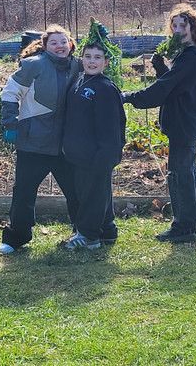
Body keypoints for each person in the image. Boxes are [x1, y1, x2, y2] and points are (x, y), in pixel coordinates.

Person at [122, 3, 196, 243]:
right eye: (174, 25)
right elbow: (178, 87)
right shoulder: (190, 56)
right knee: (189, 171)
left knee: (179, 174)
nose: (177, 30)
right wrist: (163, 68)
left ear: (193, 29)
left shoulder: (190, 58)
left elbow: (165, 89)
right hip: (187, 120)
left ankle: (184, 227)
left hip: (184, 123)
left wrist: (130, 97)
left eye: (183, 25)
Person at [0, 25, 81, 254]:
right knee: (24, 191)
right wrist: (10, 124)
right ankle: (16, 237)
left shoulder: (79, 65)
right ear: (45, 46)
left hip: (66, 144)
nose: (59, 46)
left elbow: (102, 66)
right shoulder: (33, 65)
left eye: (63, 42)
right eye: (54, 42)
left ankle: (82, 231)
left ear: (70, 44)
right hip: (34, 141)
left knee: (76, 190)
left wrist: (103, 46)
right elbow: (10, 93)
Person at [62, 41, 126, 250]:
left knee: (91, 196)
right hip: (78, 154)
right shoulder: (81, 81)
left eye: (97, 57)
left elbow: (111, 127)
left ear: (106, 62)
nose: (92, 61)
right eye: (88, 56)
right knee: (97, 193)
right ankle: (107, 231)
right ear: (82, 59)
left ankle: (89, 236)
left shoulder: (104, 88)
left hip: (95, 155)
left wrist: (105, 157)